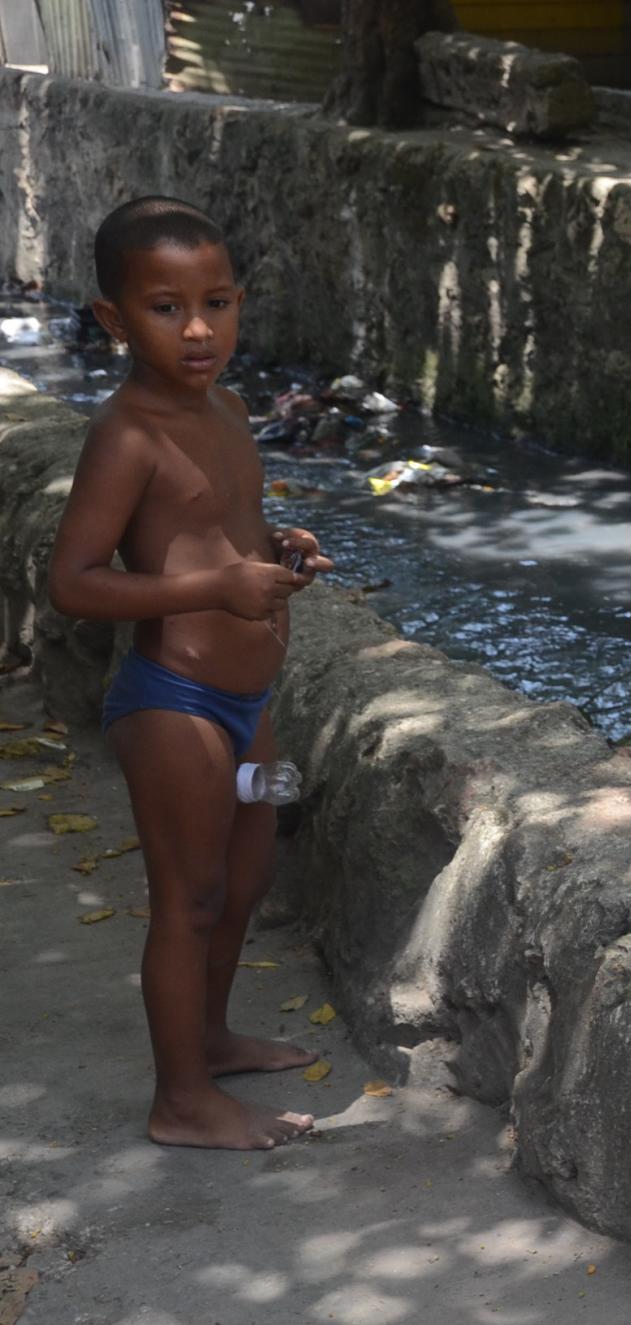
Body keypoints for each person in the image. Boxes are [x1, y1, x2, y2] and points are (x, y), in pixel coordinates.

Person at [48, 197, 335, 1150]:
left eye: (217, 301)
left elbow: (226, 523)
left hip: (249, 704)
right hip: (175, 704)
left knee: (247, 875)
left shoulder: (229, 408)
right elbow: (73, 582)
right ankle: (180, 1100)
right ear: (113, 319)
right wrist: (215, 583)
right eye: (166, 307)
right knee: (191, 896)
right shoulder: (128, 434)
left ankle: (209, 1039)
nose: (200, 327)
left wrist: (277, 548)